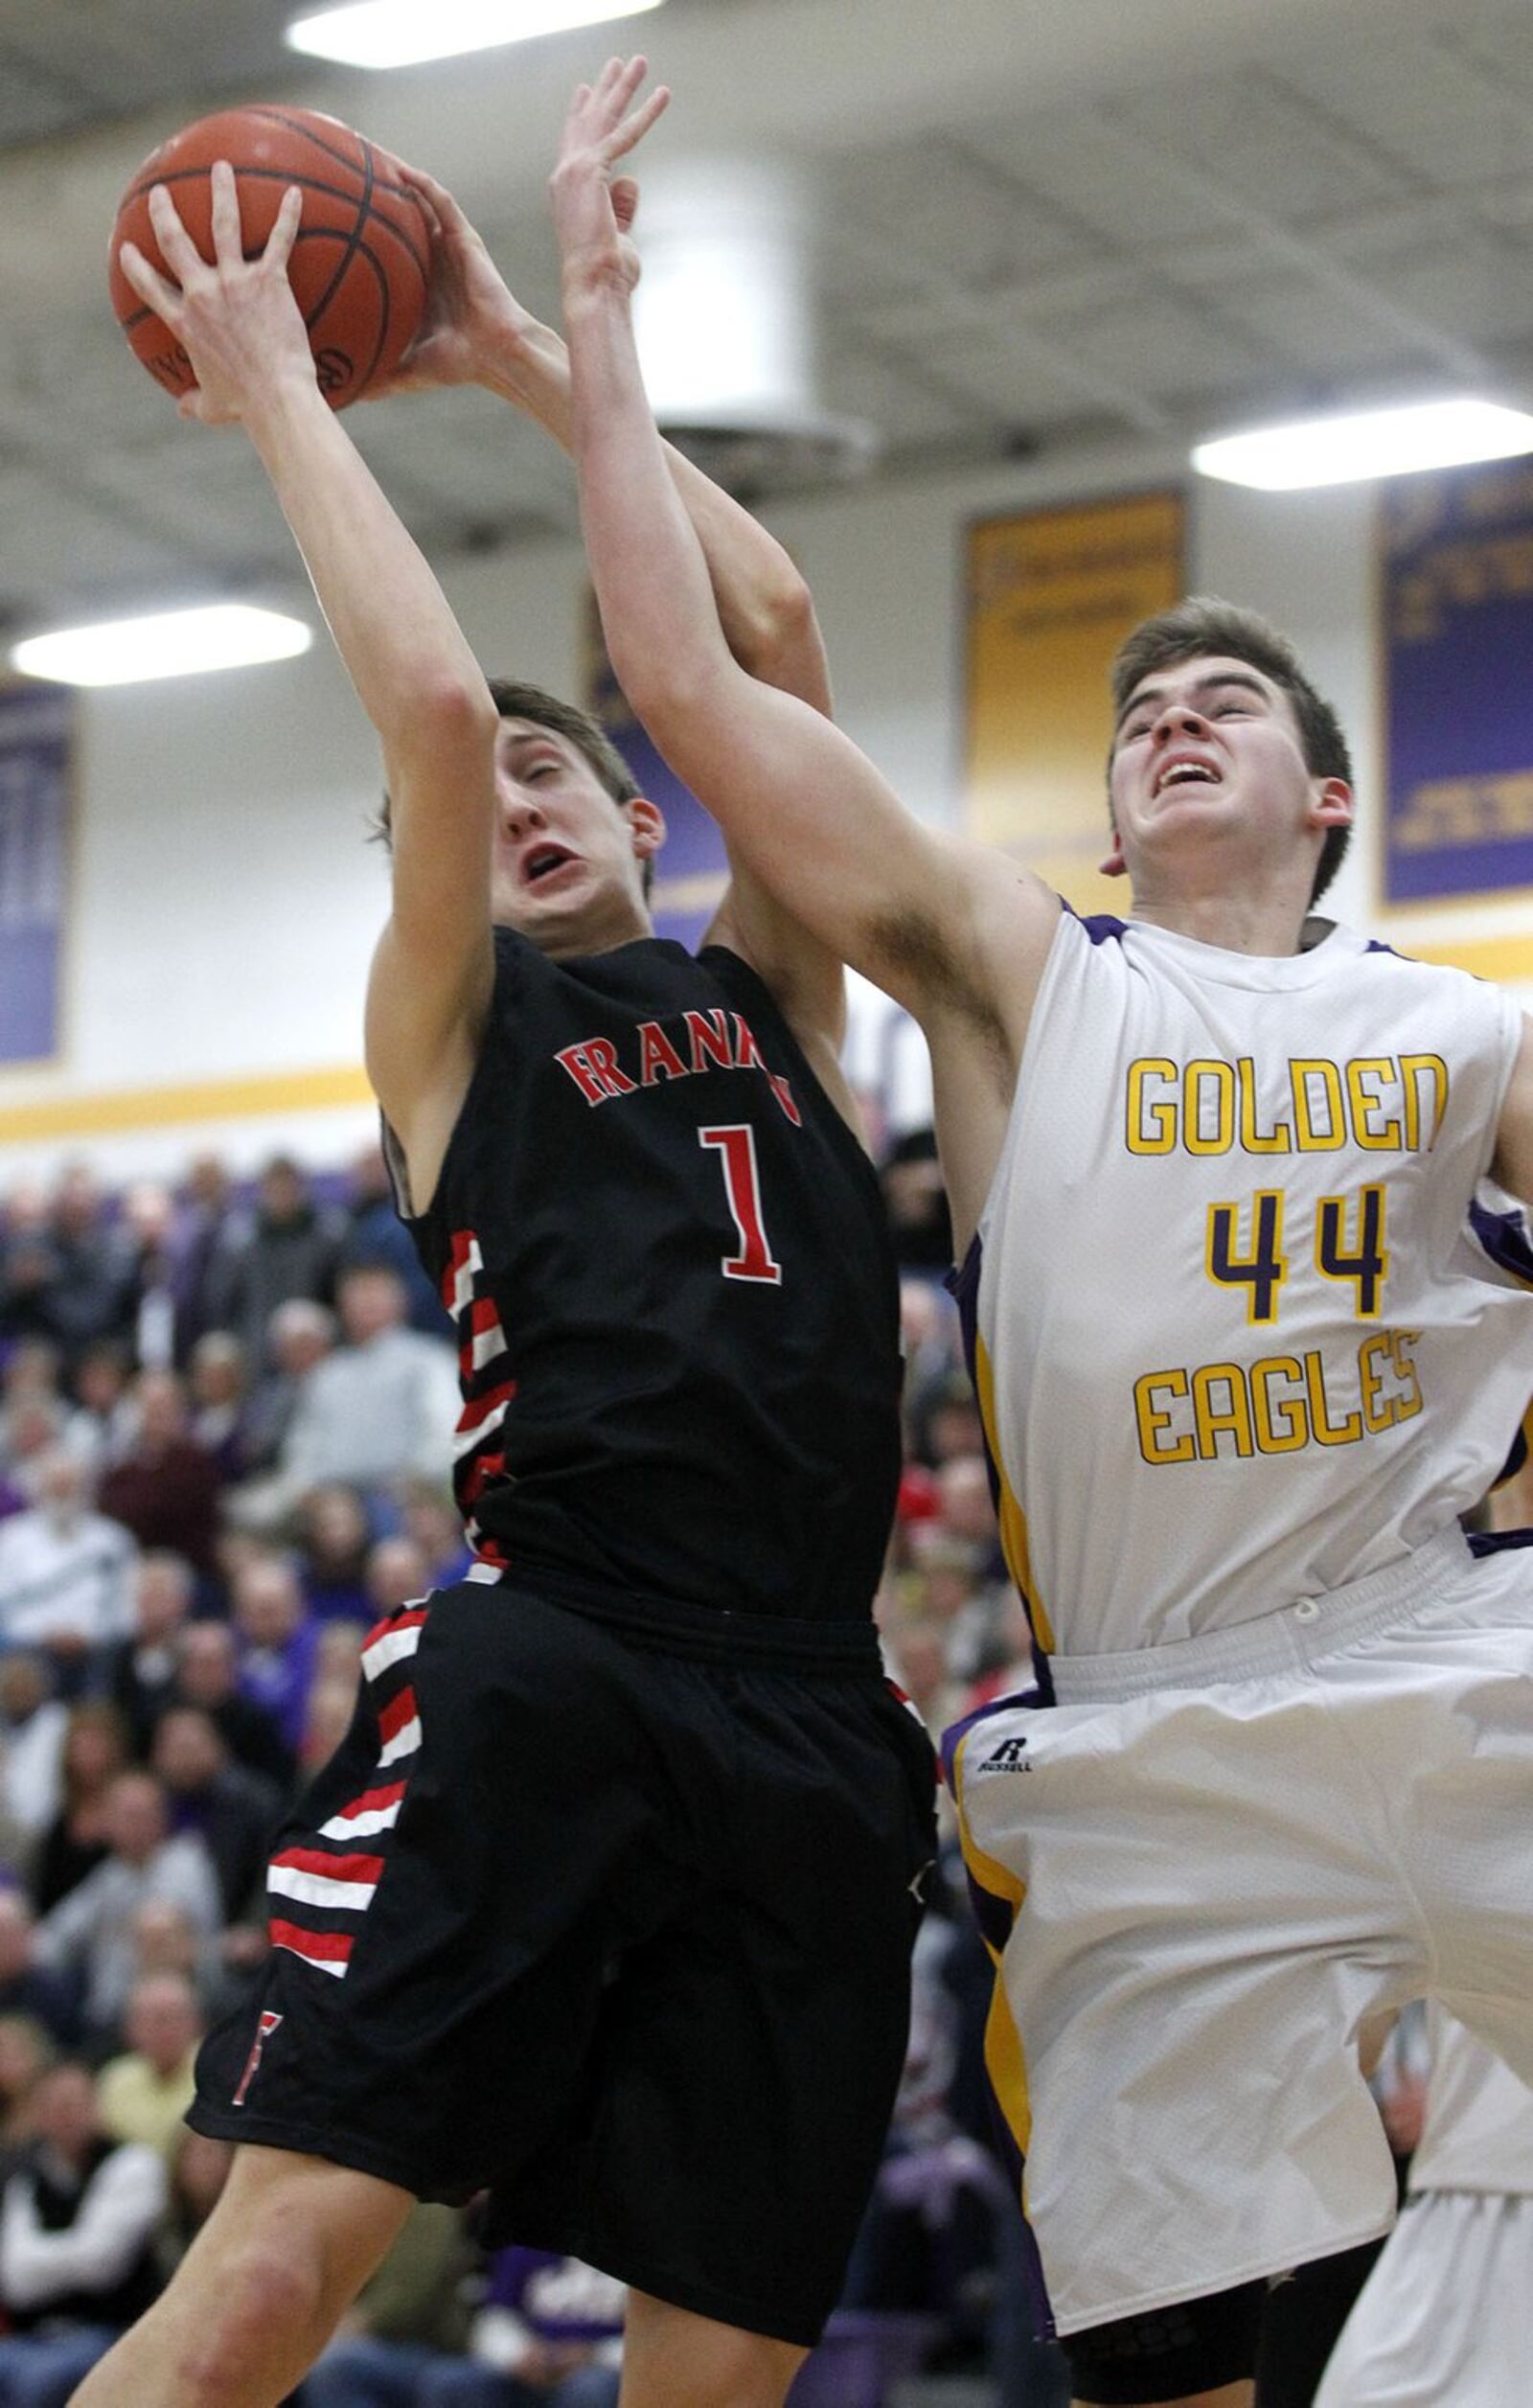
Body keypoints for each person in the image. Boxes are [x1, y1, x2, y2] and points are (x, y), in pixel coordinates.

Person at [547, 58, 1533, 2408]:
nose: (1170, 722)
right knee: (1166, 2358)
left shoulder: (1461, 1024)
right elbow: (685, 687)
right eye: (1139, 717)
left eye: (1220, 706)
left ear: (1325, 796)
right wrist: (581, 320)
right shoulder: (1028, 978)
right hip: (1147, 1728)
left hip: (1446, 1654)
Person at [76, 111, 931, 2408]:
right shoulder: (454, 1026)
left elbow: (762, 626)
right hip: (552, 1658)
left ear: (648, 817)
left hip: (818, 1718)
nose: (511, 797)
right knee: (266, 2287)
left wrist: (513, 346)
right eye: (473, 817)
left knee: (723, 2380)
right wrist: (276, 381)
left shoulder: (772, 994)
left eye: (571, 779)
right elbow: (442, 712)